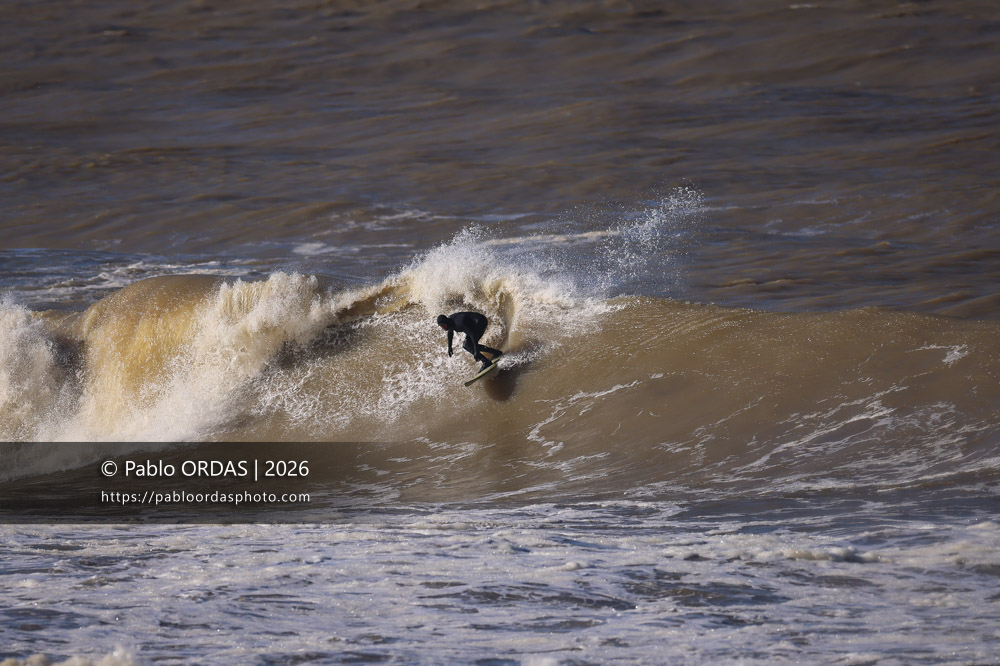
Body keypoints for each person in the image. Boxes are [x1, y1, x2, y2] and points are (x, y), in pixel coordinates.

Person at [437, 312, 503, 372]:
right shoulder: (450, 323)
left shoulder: (459, 323)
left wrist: (476, 351)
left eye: (443, 325)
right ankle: (496, 353)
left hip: (480, 322)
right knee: (467, 345)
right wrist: (449, 347)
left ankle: (486, 362)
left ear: (446, 322)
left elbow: (472, 335)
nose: (442, 327)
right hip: (474, 325)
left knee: (468, 345)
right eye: (441, 326)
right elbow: (450, 332)